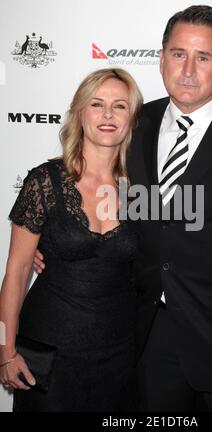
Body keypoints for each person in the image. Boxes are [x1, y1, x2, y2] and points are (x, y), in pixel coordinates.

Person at [34, 5, 212, 412]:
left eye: (204, 57)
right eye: (178, 54)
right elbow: (103, 198)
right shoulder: (133, 125)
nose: (188, 69)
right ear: (161, 60)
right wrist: (60, 250)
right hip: (148, 346)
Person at [0, 68, 143, 411]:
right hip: (49, 349)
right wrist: (5, 350)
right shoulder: (44, 181)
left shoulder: (143, 190)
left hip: (119, 353)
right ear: (80, 113)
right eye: (97, 104)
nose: (108, 115)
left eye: (120, 106)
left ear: (132, 118)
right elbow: (18, 271)